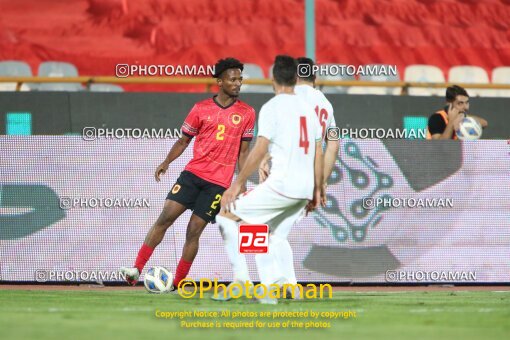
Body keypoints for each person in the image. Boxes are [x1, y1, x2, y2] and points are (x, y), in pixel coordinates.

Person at [121, 58, 255, 288]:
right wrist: (166, 162)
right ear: (219, 81)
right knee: (165, 219)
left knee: (194, 231)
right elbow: (183, 141)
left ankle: (177, 282)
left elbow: (244, 153)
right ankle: (136, 269)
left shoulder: (247, 113)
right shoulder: (200, 108)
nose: (237, 83)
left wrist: (241, 183)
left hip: (218, 184)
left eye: (240, 79)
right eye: (232, 79)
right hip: (192, 175)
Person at [214, 55, 323, 304]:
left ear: (273, 79)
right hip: (303, 190)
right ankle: (278, 285)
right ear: (296, 79)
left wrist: (238, 183)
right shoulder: (309, 110)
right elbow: (318, 151)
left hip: (281, 186)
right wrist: (316, 189)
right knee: (270, 234)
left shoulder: (273, 107)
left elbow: (260, 147)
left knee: (225, 215)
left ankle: (242, 281)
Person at [255, 56, 339, 292]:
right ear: (315, 77)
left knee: (260, 230)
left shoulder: (290, 97)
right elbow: (332, 145)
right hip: (308, 178)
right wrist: (321, 183)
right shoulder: (326, 104)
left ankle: (273, 285)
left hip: (287, 174)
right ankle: (286, 286)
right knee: (275, 233)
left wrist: (264, 158)